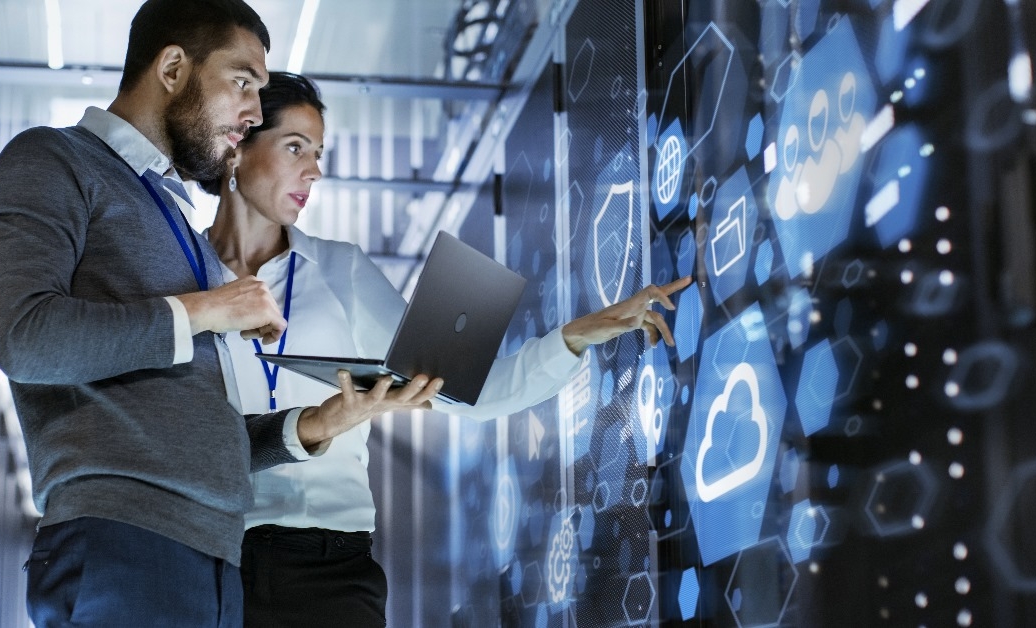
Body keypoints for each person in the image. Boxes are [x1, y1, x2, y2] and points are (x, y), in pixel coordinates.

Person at [0, 3, 440, 626]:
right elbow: (27, 338)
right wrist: (209, 307)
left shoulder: (179, 229)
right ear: (173, 68)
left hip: (215, 558)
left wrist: (317, 424)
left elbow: (204, 434)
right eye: (242, 81)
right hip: (125, 541)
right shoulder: (54, 160)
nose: (252, 111)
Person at [201, 71, 694, 627]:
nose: (314, 170)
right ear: (237, 147)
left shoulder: (343, 270)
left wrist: (575, 335)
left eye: (318, 152)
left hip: (332, 568)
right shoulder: (182, 282)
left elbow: (467, 393)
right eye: (295, 147)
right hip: (212, 560)